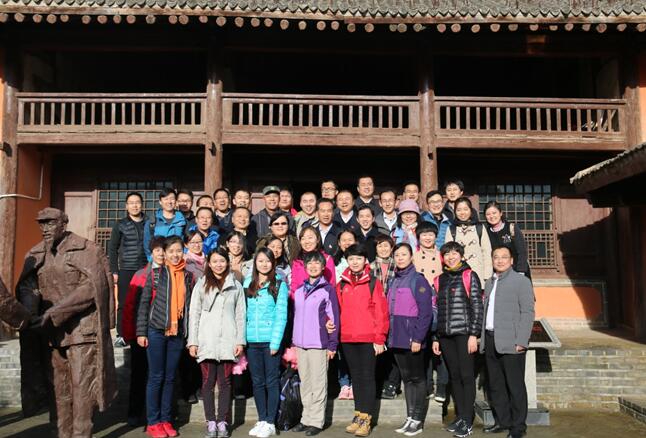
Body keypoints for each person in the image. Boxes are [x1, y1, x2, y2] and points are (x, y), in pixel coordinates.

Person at [15, 207, 117, 438]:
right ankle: (60, 433)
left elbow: (92, 288)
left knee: (82, 390)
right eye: (42, 224)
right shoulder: (36, 253)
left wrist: (55, 313)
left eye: (50, 223)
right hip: (50, 334)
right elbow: (28, 286)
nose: (45, 228)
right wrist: (30, 311)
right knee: (58, 390)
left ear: (64, 223)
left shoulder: (87, 249)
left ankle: (81, 435)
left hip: (81, 331)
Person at [137, 236, 195, 438]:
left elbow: (190, 307)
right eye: (171, 251)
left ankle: (166, 419)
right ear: (165, 253)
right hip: (156, 331)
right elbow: (144, 304)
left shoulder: (188, 276)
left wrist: (190, 335)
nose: (175, 255)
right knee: (156, 377)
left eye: (179, 250)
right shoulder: (155, 274)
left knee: (170, 378)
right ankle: (153, 422)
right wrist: (141, 332)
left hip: (177, 334)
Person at [188, 247, 246, 438]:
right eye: (214, 261)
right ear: (209, 263)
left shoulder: (235, 285)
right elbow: (194, 314)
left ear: (227, 263)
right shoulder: (201, 284)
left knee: (225, 383)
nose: (218, 265)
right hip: (206, 340)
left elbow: (240, 315)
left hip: (228, 340)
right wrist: (193, 341)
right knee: (207, 382)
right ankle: (210, 422)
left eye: (222, 261)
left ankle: (222, 421)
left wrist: (240, 340)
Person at [480, 246, 535, 438]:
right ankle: (502, 421)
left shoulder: (521, 281)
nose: (500, 260)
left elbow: (528, 312)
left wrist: (522, 340)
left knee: (515, 386)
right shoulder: (489, 282)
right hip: (490, 339)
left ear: (511, 260)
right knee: (496, 385)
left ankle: (518, 427)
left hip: (512, 341)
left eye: (504, 257)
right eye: (496, 257)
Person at [336, 244, 389, 437]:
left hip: (368, 338)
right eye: (351, 259)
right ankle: (358, 415)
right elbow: (337, 311)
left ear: (365, 260)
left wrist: (379, 338)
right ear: (347, 261)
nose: (355, 262)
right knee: (356, 378)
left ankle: (367, 418)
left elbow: (381, 312)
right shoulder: (341, 284)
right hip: (348, 338)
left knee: (367, 378)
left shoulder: (373, 282)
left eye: (359, 258)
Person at [432, 241, 484, 438]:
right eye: (447, 254)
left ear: (462, 256)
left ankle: (467, 420)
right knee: (454, 377)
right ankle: (461, 417)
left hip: (464, 334)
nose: (451, 257)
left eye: (454, 253)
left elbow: (477, 306)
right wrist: (436, 337)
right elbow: (437, 310)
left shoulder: (469, 275)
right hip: (446, 335)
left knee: (466, 376)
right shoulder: (439, 279)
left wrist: (473, 335)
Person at [387, 243, 434, 437]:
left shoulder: (418, 280)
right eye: (397, 255)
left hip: (412, 339)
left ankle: (418, 419)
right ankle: (409, 417)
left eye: (403, 254)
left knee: (418, 378)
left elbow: (426, 313)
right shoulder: (394, 280)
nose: (400, 258)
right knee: (406, 379)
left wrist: (418, 338)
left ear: (411, 257)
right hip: (396, 337)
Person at [291, 251, 340, 437]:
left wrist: (332, 344)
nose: (312, 266)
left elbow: (333, 318)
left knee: (318, 384)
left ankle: (316, 421)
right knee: (306, 384)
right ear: (305, 267)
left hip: (319, 343)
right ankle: (306, 418)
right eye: (309, 263)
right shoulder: (299, 290)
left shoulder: (327, 290)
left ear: (322, 267)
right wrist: (294, 342)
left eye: (316, 263)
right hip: (300, 344)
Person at [244, 248, 289, 438]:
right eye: (260, 260)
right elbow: (242, 313)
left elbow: (281, 315)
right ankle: (262, 419)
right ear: (255, 263)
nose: (264, 264)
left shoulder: (279, 284)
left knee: (271, 381)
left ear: (273, 263)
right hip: (252, 341)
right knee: (257, 382)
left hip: (270, 341)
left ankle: (271, 421)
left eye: (268, 261)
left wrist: (275, 342)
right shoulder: (247, 283)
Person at [121, 236, 166, 427]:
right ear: (151, 252)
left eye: (164, 250)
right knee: (139, 375)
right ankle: (134, 413)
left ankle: (158, 415)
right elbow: (130, 306)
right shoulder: (140, 275)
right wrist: (129, 333)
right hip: (141, 332)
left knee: (160, 375)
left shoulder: (171, 274)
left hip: (162, 332)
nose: (161, 254)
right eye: (157, 250)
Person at [412, 222, 448, 402]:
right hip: (421, 304)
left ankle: (442, 386)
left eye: (430, 234)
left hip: (440, 302)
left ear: (436, 236)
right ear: (418, 237)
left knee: (441, 346)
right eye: (423, 234)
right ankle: (427, 386)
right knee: (424, 346)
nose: (427, 237)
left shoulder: (443, 255)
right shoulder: (413, 256)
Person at [108, 191, 147, 347]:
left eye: (137, 202)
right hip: (126, 268)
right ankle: (122, 334)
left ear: (142, 204)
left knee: (144, 301)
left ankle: (140, 332)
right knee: (124, 302)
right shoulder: (120, 224)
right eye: (131, 203)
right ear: (126, 206)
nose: (135, 206)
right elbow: (112, 248)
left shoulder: (149, 223)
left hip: (145, 268)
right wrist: (114, 270)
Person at [331, 229, 358, 401]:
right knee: (341, 351)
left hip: (356, 312)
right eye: (344, 240)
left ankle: (355, 383)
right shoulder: (333, 263)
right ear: (339, 244)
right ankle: (344, 384)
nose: (347, 243)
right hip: (339, 310)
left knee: (355, 352)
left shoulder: (361, 262)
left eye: (350, 240)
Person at [445, 197, 493, 288]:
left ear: (471, 210)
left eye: (465, 209)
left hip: (478, 273)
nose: (462, 212)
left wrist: (487, 276)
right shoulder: (451, 229)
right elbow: (448, 254)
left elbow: (487, 252)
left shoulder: (479, 228)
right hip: (458, 275)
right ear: (455, 212)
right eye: (459, 210)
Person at [484, 201, 531, 279]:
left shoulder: (511, 228)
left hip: (517, 271)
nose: (491, 216)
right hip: (498, 274)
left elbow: (522, 251)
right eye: (488, 214)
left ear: (500, 213)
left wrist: (521, 272)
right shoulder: (486, 232)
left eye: (494, 213)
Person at [289, 226, 337, 298]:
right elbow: (294, 286)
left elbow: (331, 283)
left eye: (310, 237)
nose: (307, 241)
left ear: (317, 239)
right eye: (303, 238)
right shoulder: (297, 261)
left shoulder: (326, 259)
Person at [143, 188, 187, 260]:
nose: (169, 202)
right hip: (158, 260)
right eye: (166, 199)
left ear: (176, 201)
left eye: (172, 199)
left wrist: (183, 256)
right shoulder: (152, 221)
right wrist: (151, 260)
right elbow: (147, 243)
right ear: (160, 202)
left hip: (176, 260)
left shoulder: (182, 220)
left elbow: (186, 241)